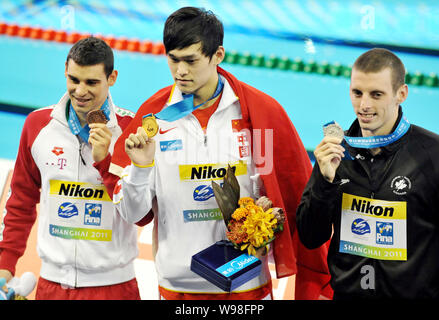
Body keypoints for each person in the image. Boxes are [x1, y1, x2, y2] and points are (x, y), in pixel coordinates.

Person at [109, 7, 332, 300]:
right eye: (173, 60)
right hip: (178, 289)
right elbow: (131, 214)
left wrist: (268, 224)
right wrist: (140, 168)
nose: (180, 71)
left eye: (191, 61)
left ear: (218, 55)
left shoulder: (259, 115)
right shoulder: (155, 119)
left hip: (247, 288)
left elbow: (293, 198)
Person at [0, 37, 141, 300]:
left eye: (91, 82)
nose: (80, 91)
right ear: (65, 70)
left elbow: (140, 212)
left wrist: (106, 162)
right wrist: (5, 265)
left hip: (114, 287)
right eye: (74, 80)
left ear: (112, 78)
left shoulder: (130, 131)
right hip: (52, 285)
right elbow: (21, 199)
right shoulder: (37, 126)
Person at [296, 47, 439, 299]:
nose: (364, 105)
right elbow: (310, 237)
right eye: (357, 93)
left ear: (401, 94)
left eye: (376, 95)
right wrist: (325, 182)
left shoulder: (432, 154)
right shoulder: (335, 154)